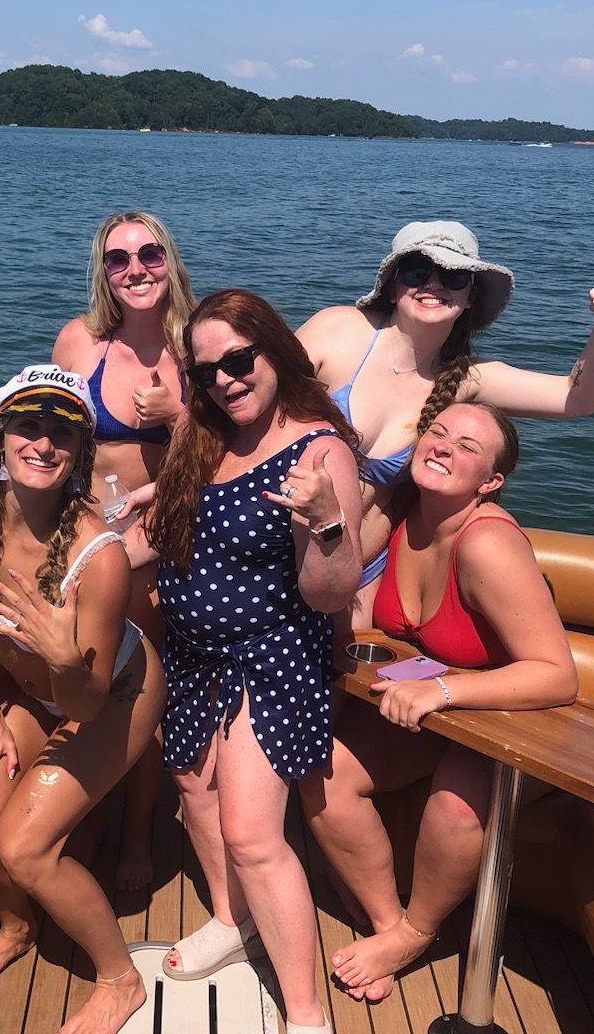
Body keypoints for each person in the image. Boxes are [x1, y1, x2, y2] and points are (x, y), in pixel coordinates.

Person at [134, 290, 364, 1034]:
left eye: (239, 361)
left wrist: (327, 522)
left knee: (253, 837)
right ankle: (234, 922)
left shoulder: (319, 452)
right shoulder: (205, 436)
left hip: (266, 661)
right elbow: (164, 535)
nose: (225, 381)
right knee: (193, 789)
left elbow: (330, 592)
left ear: (274, 351)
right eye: (207, 372)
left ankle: (306, 1015)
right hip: (195, 654)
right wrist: (77, 560)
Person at [299, 401, 578, 1003]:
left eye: (467, 447)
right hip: (443, 712)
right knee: (324, 773)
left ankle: (418, 931)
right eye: (438, 431)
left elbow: (558, 677)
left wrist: (442, 690)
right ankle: (389, 925)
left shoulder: (487, 544)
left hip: (515, 718)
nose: (444, 446)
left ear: (490, 482)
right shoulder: (403, 515)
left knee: (455, 806)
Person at [0, 365, 165, 1034]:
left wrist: (62, 657)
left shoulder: (101, 557)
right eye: (27, 426)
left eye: (62, 433)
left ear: (81, 450)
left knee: (24, 847)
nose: (42, 444)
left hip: (113, 695)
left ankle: (120, 979)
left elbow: (86, 705)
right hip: (26, 692)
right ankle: (18, 923)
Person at [296, 219, 594, 621]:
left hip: (358, 577)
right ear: (393, 285)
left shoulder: (467, 379)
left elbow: (578, 398)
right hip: (272, 550)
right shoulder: (338, 330)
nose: (433, 284)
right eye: (418, 271)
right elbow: (252, 401)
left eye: (453, 276)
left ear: (470, 296)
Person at [51, 210, 196, 892]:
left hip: (165, 543)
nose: (135, 268)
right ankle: (83, 813)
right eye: (118, 258)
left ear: (170, 260)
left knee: (141, 692)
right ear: (103, 271)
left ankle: (137, 831)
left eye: (149, 254)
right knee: (81, 680)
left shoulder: (198, 347)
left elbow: (235, 451)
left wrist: (178, 417)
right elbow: (47, 439)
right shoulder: (80, 342)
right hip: (89, 538)